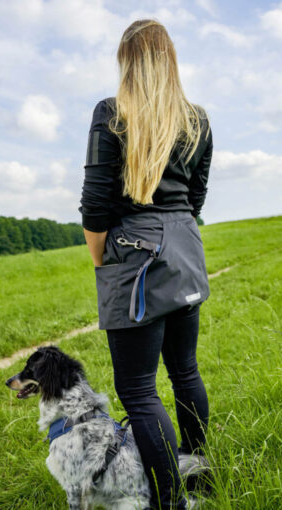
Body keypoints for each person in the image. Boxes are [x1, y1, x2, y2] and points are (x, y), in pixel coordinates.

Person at [78, 19, 213, 510]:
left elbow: (95, 206)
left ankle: (170, 502)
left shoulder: (112, 113)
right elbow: (194, 199)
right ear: (170, 60)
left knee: (138, 390)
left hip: (134, 255)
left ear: (126, 63)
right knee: (184, 371)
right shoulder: (197, 120)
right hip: (184, 252)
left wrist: (103, 263)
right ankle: (196, 473)